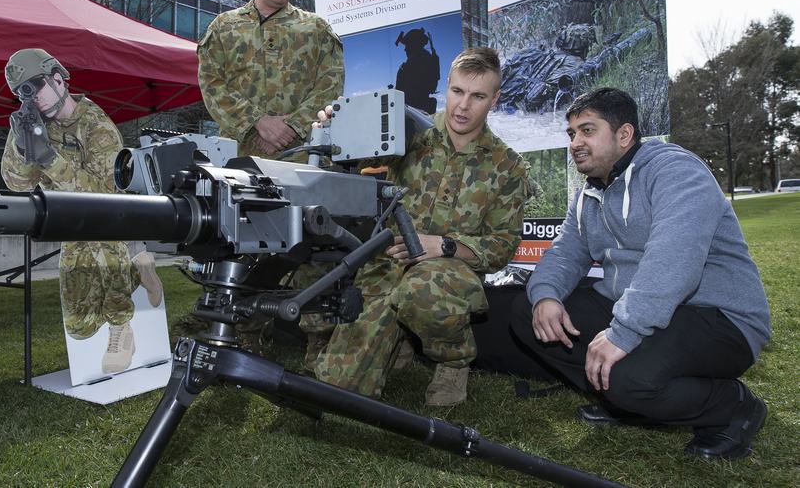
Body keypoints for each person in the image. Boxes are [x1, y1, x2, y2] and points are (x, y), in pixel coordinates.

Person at [510, 87, 771, 459]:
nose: (575, 143)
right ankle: (617, 398)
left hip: (718, 316)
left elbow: (675, 259)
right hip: (644, 308)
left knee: (629, 380)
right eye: (571, 134)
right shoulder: (589, 194)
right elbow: (565, 255)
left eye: (587, 131)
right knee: (528, 313)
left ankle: (733, 407)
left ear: (624, 134)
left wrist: (623, 333)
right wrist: (546, 296)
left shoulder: (676, 171)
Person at [316, 47, 530, 406]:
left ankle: (453, 359)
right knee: (338, 388)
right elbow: (345, 153)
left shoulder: (508, 167)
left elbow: (500, 249)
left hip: (445, 274)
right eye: (458, 92)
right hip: (388, 265)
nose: (463, 106)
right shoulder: (409, 132)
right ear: (446, 87)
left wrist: (442, 245)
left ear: (495, 99)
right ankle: (396, 338)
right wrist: (331, 128)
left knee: (423, 290)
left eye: (478, 96)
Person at [196, 0, 345, 364]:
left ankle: (320, 338)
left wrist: (292, 126)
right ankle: (243, 333)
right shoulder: (223, 28)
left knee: (314, 244)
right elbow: (213, 85)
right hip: (245, 159)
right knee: (246, 246)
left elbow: (330, 87)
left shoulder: (316, 29)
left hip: (304, 157)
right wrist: (256, 122)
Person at [0, 48, 163, 374]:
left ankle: (122, 327)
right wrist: (23, 147)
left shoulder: (95, 125)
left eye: (37, 87)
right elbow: (16, 184)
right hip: (71, 227)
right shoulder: (31, 121)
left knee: (105, 252)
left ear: (59, 79)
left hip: (107, 223)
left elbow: (107, 196)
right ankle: (139, 270)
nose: (34, 100)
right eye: (23, 94)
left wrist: (50, 161)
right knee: (80, 326)